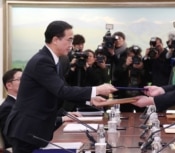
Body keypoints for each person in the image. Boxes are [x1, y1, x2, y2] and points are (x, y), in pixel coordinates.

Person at [3, 20, 117, 153]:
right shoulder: (42, 61)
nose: (71, 45)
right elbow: (61, 91)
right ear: (55, 39)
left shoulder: (54, 60)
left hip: (36, 129)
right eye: (69, 40)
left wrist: (89, 100)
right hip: (27, 130)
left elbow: (62, 88)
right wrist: (97, 89)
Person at [0, 68, 22, 150]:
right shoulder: (7, 107)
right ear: (9, 85)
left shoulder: (21, 103)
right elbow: (10, 138)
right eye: (20, 79)